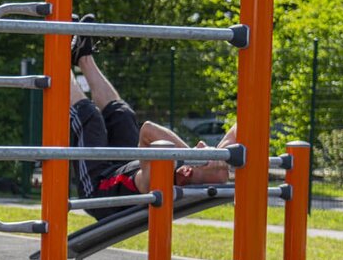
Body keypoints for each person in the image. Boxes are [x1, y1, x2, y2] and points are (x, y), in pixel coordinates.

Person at [69, 14, 237, 221]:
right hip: (123, 168)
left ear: (186, 171)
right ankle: (82, 57)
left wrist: (189, 154)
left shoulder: (157, 180)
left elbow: (148, 129)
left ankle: (58, 58)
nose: (201, 144)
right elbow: (238, 131)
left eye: (204, 154)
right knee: (122, 114)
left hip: (99, 188)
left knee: (90, 116)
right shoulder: (198, 170)